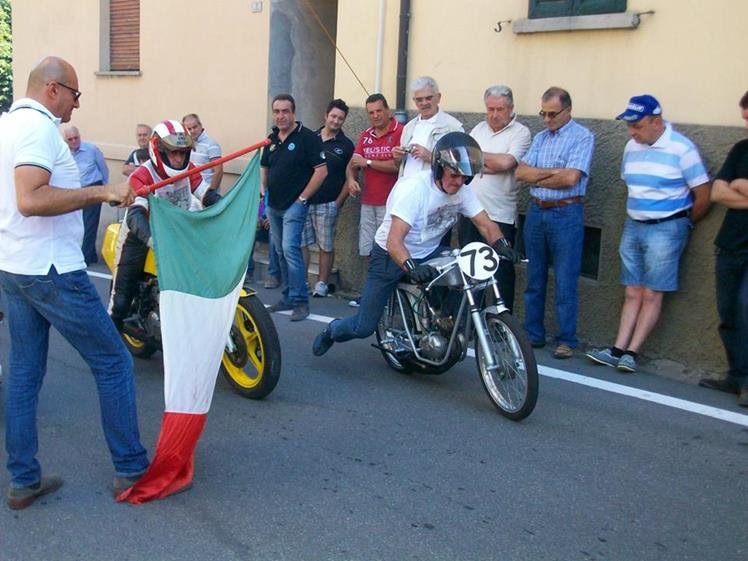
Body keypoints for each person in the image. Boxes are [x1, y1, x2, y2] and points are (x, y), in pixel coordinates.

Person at [0, 55, 149, 509]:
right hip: (51, 270)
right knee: (114, 362)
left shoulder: (8, 126)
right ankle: (132, 470)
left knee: (24, 372)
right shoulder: (37, 128)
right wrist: (103, 191)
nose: (76, 104)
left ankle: (23, 480)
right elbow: (30, 199)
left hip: (17, 267)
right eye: (74, 94)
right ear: (52, 89)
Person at [312, 132, 520, 357]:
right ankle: (332, 330)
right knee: (364, 326)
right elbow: (394, 241)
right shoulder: (414, 189)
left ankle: (445, 322)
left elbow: (486, 224)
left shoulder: (462, 190)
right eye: (454, 175)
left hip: (429, 251)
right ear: (439, 169)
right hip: (390, 255)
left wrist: (501, 244)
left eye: (465, 177)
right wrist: (411, 267)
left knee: (466, 270)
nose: (459, 182)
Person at [586, 95, 710, 373]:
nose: (632, 132)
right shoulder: (632, 147)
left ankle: (632, 353)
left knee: (652, 293)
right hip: (634, 224)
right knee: (633, 290)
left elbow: (703, 194)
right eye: (629, 126)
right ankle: (617, 349)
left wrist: (683, 224)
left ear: (656, 122)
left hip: (667, 227)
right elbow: (630, 184)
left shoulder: (682, 149)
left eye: (637, 126)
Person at [109, 120, 220, 331]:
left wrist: (227, 207)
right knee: (120, 300)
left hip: (177, 231)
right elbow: (135, 215)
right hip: (139, 236)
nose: (179, 159)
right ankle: (111, 337)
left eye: (183, 153)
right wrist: (154, 241)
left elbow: (206, 194)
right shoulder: (142, 175)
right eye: (173, 153)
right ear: (158, 151)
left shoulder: (189, 169)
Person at [515, 87, 594, 359]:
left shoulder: (582, 137)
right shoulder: (540, 137)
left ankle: (566, 339)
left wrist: (538, 175)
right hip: (537, 211)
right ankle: (533, 333)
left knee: (565, 278)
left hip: (566, 213)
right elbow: (520, 173)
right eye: (543, 113)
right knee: (534, 276)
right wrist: (553, 173)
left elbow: (571, 179)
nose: (547, 119)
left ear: (568, 111)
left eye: (553, 114)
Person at [459, 85, 531, 313]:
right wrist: (490, 163)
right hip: (471, 212)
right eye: (490, 109)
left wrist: (478, 158)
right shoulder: (478, 129)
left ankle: (502, 321)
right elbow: (464, 161)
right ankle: (473, 320)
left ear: (511, 108)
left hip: (501, 215)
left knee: (501, 273)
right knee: (471, 271)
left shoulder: (521, 132)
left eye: (500, 109)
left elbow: (507, 163)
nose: (494, 114)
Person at [698, 91, 748, 406]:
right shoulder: (741, 149)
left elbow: (732, 188)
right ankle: (736, 376)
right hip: (729, 245)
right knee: (728, 311)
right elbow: (717, 192)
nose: (746, 123)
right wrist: (740, 187)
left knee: (746, 309)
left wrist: (740, 185)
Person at [262, 94, 327, 322]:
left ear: (293, 113)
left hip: (294, 206)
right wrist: (263, 190)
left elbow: (322, 171)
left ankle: (300, 301)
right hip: (273, 205)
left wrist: (302, 198)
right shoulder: (271, 139)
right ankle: (288, 296)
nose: (281, 116)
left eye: (285, 111)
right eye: (277, 111)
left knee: (290, 250)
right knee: (280, 252)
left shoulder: (307, 138)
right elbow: (264, 166)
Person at [345, 94, 403, 306]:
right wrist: (351, 179)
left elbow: (398, 166)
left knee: (390, 251)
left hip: (392, 205)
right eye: (371, 112)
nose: (376, 115)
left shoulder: (401, 132)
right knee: (368, 250)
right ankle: (372, 295)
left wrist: (368, 162)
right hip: (368, 202)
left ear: (388, 110)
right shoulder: (366, 135)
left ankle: (391, 298)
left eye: (379, 111)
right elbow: (353, 163)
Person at [302, 99, 354, 297]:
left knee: (326, 246)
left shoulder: (346, 145)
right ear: (326, 116)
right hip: (305, 201)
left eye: (340, 118)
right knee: (301, 244)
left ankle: (321, 284)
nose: (336, 121)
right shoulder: (310, 138)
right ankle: (303, 283)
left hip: (328, 203)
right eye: (333, 116)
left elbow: (351, 177)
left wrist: (338, 202)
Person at [392, 76, 464, 178]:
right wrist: (397, 158)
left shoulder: (453, 127)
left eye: (429, 98)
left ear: (438, 97)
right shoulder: (409, 127)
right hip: (407, 184)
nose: (424, 103)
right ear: (414, 101)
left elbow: (461, 165)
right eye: (419, 100)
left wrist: (431, 157)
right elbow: (400, 165)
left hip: (433, 186)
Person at [63, 126, 110, 265]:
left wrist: (103, 188)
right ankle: (90, 255)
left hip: (93, 188)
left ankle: (85, 257)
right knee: (76, 224)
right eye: (70, 139)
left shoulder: (92, 149)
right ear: (66, 141)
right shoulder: (64, 153)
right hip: (74, 191)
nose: (74, 141)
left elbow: (104, 169)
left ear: (79, 136)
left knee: (89, 225)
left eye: (76, 138)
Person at [182, 113, 223, 191]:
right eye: (189, 129)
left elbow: (218, 171)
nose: (192, 131)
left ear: (200, 125)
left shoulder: (211, 144)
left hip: (206, 193)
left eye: (195, 127)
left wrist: (211, 193)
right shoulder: (185, 145)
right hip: (191, 193)